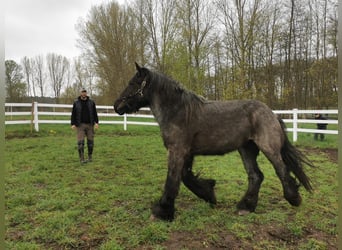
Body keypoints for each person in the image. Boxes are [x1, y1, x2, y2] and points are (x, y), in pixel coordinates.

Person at [71, 88, 99, 163]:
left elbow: (94, 113)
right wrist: (73, 123)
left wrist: (96, 122)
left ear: (86, 93)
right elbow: (73, 114)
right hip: (80, 125)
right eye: (82, 92)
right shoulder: (76, 103)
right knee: (81, 143)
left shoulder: (91, 102)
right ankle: (82, 158)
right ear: (80, 93)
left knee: (90, 142)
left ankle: (90, 157)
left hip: (90, 125)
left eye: (85, 92)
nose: (84, 94)